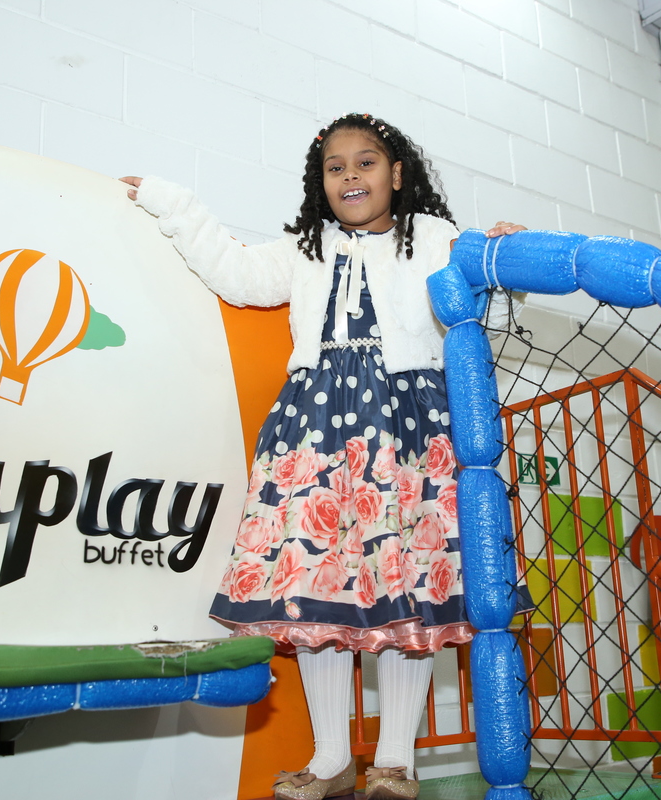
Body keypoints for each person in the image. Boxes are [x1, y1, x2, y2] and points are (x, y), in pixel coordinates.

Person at [123, 112, 525, 800]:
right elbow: (237, 274)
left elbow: (475, 277)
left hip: (406, 424)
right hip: (315, 427)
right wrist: (172, 203)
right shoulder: (305, 247)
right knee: (316, 584)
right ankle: (332, 757)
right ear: (321, 183)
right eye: (335, 168)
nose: (350, 177)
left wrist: (503, 250)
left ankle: (396, 761)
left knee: (404, 582)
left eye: (365, 163)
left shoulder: (430, 236)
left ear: (396, 173)